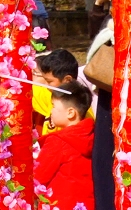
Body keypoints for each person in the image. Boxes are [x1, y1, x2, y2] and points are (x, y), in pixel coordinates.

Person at [35, 82, 95, 210]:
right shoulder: (93, 135)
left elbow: (38, 177)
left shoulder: (58, 141)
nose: (51, 111)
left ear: (70, 113)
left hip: (60, 204)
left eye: (53, 106)